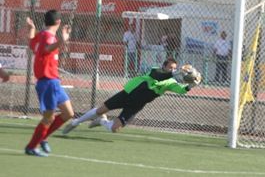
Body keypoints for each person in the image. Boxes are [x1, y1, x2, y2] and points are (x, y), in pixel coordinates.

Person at [62, 58, 201, 134]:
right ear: (164, 66)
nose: (173, 70)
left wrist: (192, 85)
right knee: (100, 110)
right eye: (170, 67)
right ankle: (74, 123)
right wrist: (173, 73)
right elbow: (157, 76)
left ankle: (102, 122)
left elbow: (182, 90)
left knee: (114, 129)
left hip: (137, 105)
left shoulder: (170, 82)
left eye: (174, 68)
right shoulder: (155, 70)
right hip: (128, 93)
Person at [25, 10, 74, 157]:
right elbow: (47, 49)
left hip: (53, 82)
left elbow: (32, 46)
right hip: (48, 82)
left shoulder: (40, 35)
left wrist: (31, 30)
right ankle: (31, 147)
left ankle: (43, 137)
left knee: (68, 113)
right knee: (48, 118)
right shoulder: (48, 36)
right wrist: (63, 40)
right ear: (58, 23)